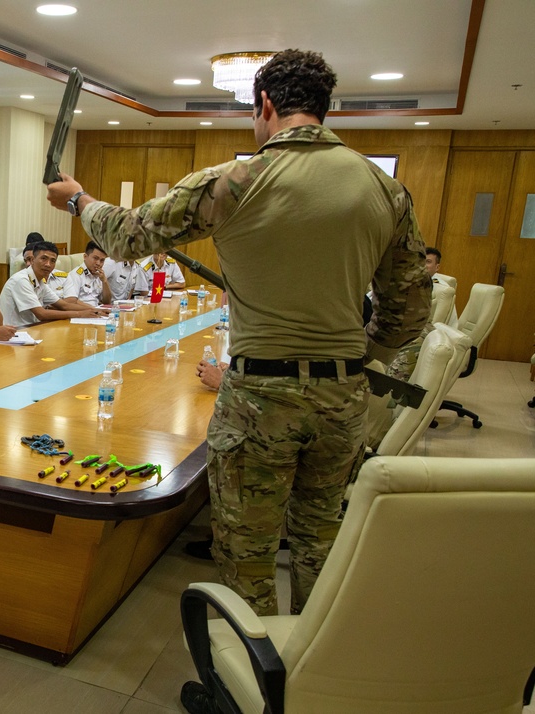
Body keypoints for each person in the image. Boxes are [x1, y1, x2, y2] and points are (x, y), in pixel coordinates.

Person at [47, 50, 430, 629]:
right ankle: (315, 668)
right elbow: (408, 313)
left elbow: (129, 237)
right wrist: (353, 359)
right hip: (343, 400)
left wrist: (78, 199)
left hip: (259, 398)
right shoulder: (384, 188)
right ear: (326, 111)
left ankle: (253, 675)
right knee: (320, 541)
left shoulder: (237, 180)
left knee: (247, 552)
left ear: (266, 106)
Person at [0, 241, 108, 327]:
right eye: (43, 258)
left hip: (31, 329)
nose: (48, 264)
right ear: (32, 260)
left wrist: (96, 311)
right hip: (15, 332)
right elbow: (42, 314)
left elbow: (64, 305)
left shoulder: (40, 282)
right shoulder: (22, 280)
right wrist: (80, 314)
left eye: (52, 261)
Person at [64, 240, 113, 306]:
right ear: (85, 257)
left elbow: (107, 302)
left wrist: (104, 281)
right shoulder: (76, 275)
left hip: (97, 311)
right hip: (82, 312)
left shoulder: (100, 275)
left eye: (102, 260)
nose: (98, 263)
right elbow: (72, 301)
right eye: (95, 258)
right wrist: (94, 310)